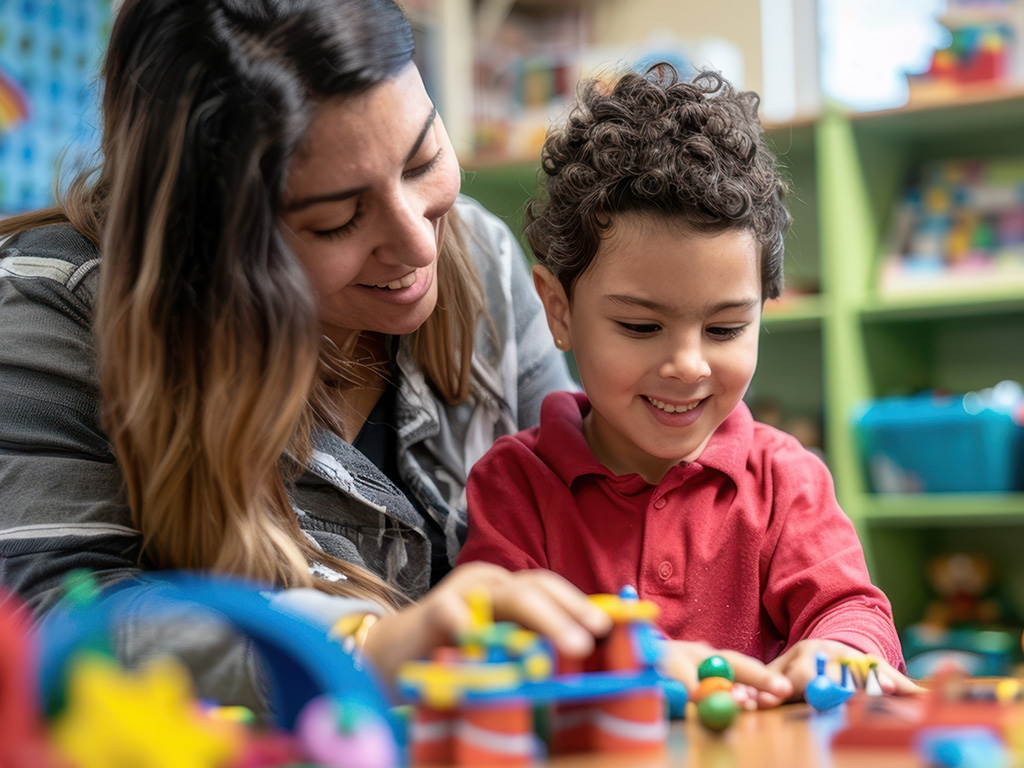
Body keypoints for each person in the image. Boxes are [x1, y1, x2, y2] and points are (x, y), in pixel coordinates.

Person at [0, 0, 607, 713]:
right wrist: (359, 648)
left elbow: (601, 508)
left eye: (423, 159)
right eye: (335, 220)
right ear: (212, 239)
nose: (417, 245)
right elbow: (53, 623)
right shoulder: (49, 317)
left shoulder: (484, 262)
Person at [457, 66, 922, 707]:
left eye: (726, 328)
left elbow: (853, 611)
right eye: (641, 325)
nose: (688, 365)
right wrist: (632, 659)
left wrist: (837, 651)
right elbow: (489, 647)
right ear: (558, 309)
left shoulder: (785, 480)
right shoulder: (515, 485)